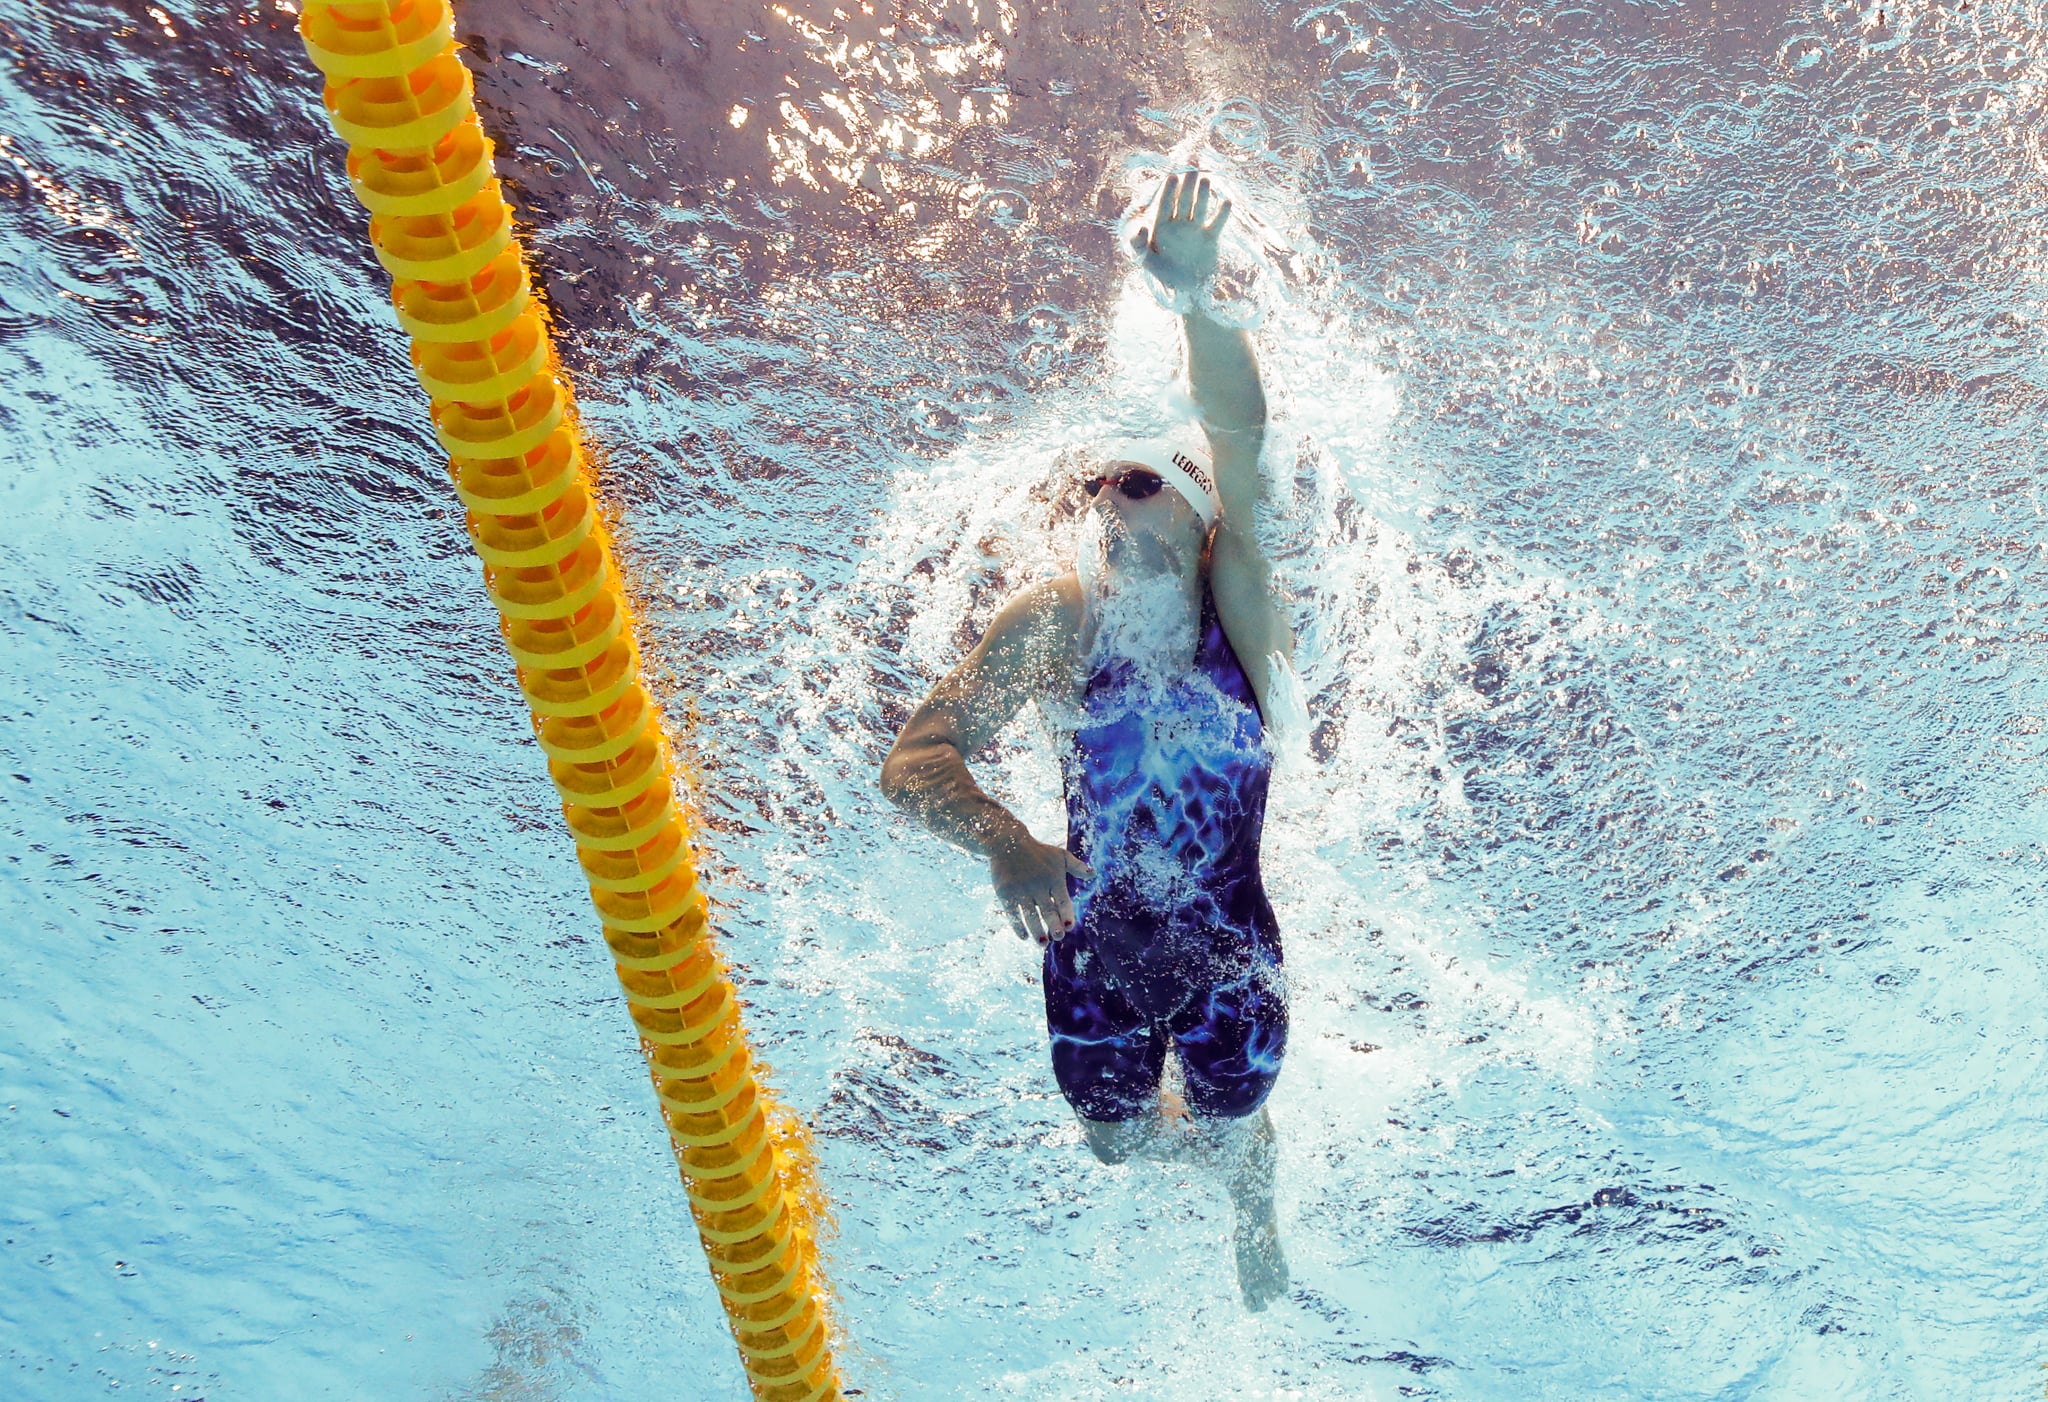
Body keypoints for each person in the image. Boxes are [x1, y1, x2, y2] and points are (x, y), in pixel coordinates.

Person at [879, 172, 1295, 1309]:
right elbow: (913, 760)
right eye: (1092, 487)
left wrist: (1198, 300)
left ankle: (1249, 1181)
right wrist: (1005, 841)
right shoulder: (1057, 626)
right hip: (1092, 955)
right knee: (1115, 1150)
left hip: (1229, 959)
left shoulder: (1239, 613)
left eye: (1135, 483)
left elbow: (1242, 434)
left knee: (1231, 1123)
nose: (1106, 502)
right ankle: (1210, 1157)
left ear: (1198, 510)